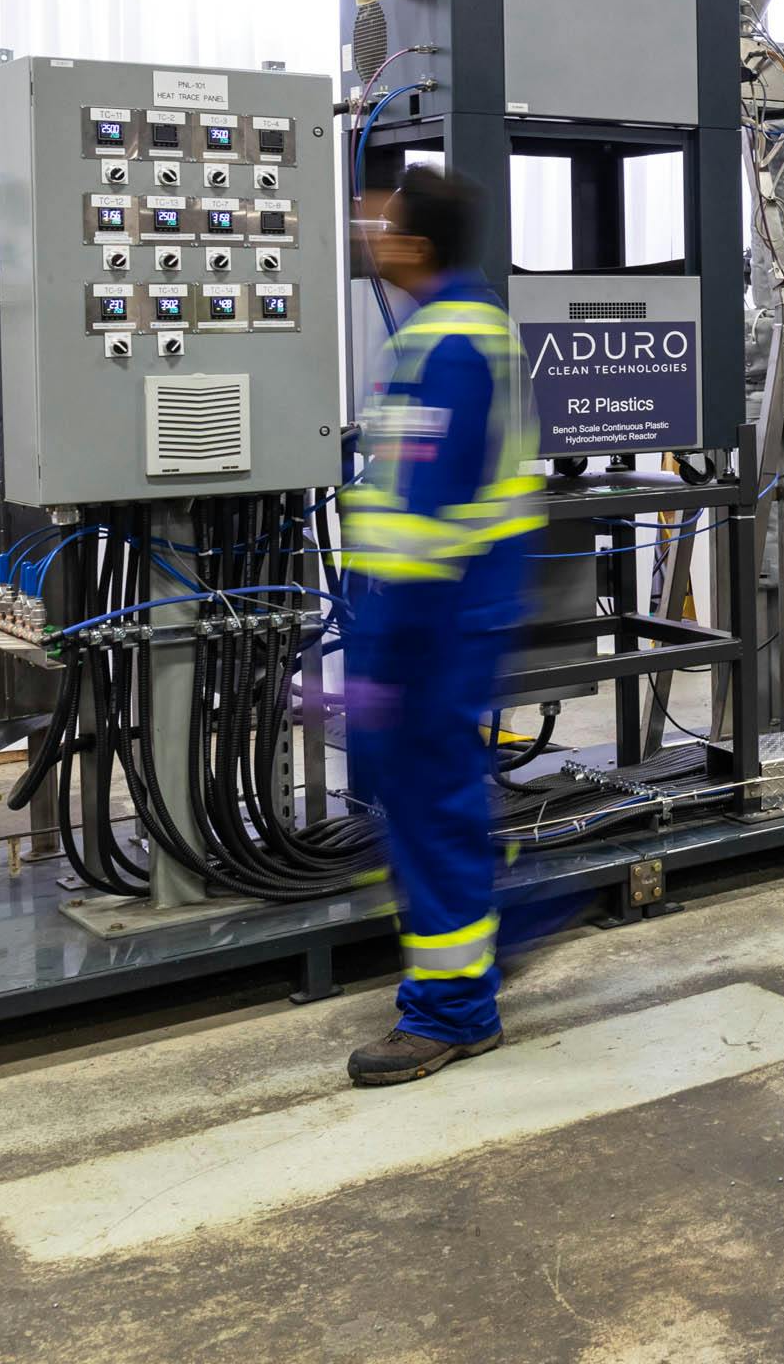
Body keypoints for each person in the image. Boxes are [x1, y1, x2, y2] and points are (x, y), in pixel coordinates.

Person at [339, 166, 541, 1087]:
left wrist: (382, 658)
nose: (367, 233)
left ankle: (452, 1011)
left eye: (380, 223)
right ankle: (519, 926)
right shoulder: (450, 327)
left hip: (434, 625)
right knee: (429, 806)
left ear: (415, 245)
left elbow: (424, 518)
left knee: (430, 812)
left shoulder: (452, 344)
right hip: (443, 618)